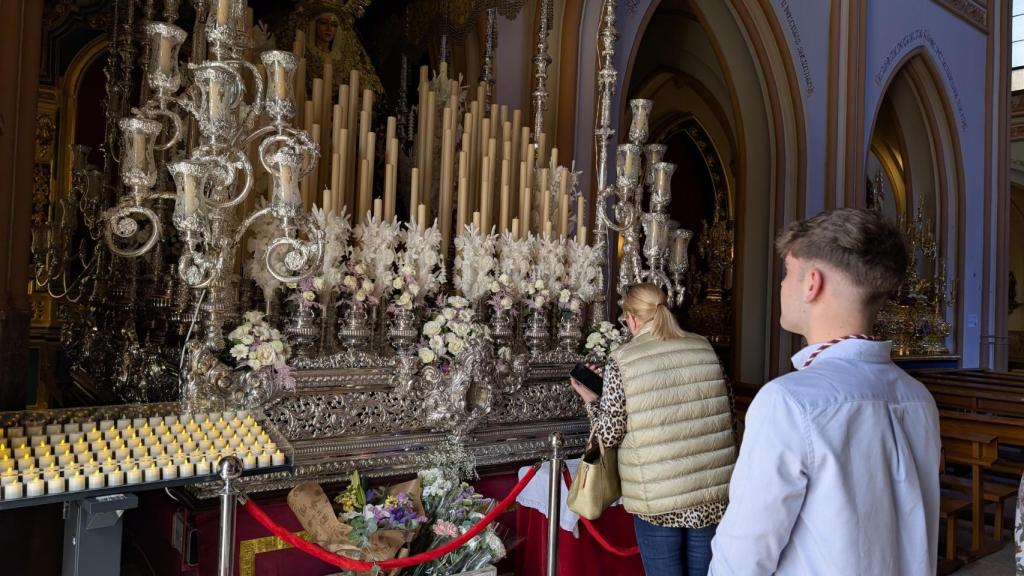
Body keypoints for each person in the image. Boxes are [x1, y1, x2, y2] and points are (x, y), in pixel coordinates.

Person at [709, 208, 940, 575]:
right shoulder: (917, 397)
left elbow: (744, 556)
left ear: (812, 283)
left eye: (787, 272)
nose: (783, 285)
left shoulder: (788, 402)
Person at [570, 283, 736, 576]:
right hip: (711, 494)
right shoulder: (704, 347)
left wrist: (592, 401)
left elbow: (610, 434)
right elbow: (730, 414)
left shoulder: (625, 359)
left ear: (632, 318)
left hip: (657, 499)